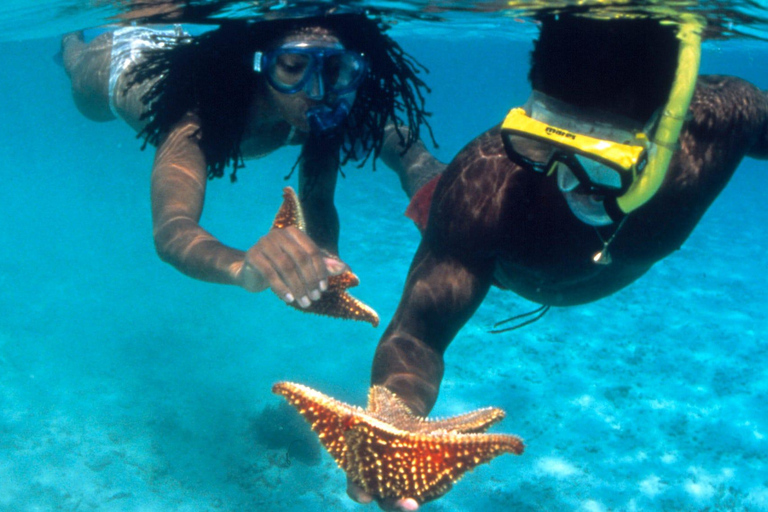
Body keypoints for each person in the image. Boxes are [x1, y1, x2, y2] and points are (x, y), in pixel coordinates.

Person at [345, 11, 768, 510]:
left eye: (598, 166)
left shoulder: (723, 123)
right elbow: (417, 333)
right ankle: (401, 144)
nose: (563, 183)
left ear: (662, 141)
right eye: (538, 147)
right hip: (491, 258)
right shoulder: (485, 185)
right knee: (426, 179)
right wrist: (396, 421)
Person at [61, 11, 442, 310]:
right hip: (115, 65)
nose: (317, 91)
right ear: (260, 66)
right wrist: (243, 267)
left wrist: (324, 257)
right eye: (293, 67)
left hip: (175, 44)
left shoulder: (321, 111)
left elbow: (319, 198)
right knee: (77, 71)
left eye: (334, 69)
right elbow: (172, 230)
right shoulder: (196, 119)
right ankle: (68, 40)